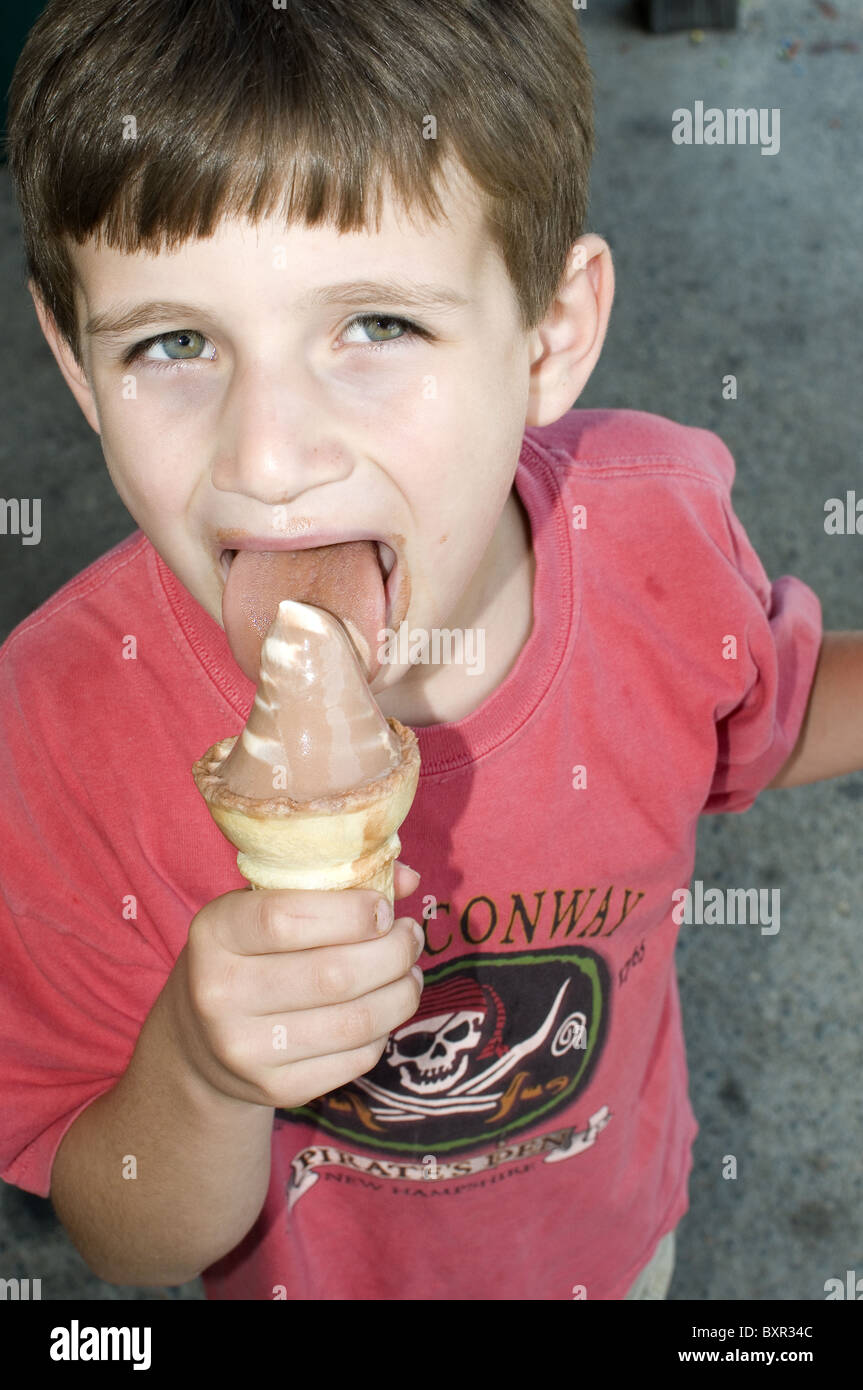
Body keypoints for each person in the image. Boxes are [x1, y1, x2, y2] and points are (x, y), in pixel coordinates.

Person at [0, 0, 856, 1301]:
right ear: (75, 363)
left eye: (379, 327)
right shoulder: (52, 729)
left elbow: (768, 717)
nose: (270, 457)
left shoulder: (657, 539)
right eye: (173, 342)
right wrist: (202, 1069)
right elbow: (128, 1238)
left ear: (550, 333)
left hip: (613, 1254)